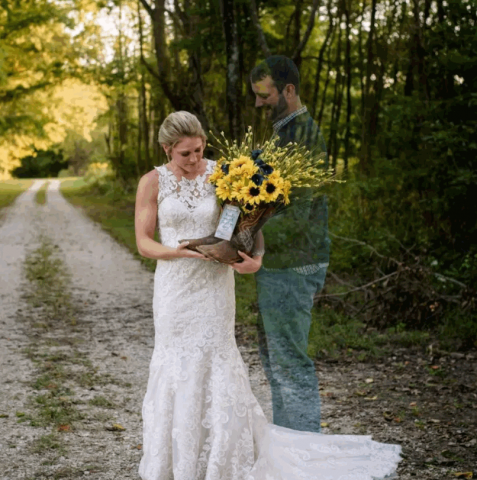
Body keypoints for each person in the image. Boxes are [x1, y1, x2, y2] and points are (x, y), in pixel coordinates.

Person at [135, 110, 401, 479]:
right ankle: (175, 461)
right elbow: (144, 243)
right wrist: (181, 252)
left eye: (199, 150)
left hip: (214, 289)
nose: (195, 160)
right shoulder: (152, 182)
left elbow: (251, 220)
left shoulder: (222, 173)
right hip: (174, 290)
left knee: (217, 360)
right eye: (185, 154)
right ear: (167, 149)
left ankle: (223, 460)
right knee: (175, 365)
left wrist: (255, 260)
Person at [250, 55, 330, 433]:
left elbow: (298, 215)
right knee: (274, 362)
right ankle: (288, 449)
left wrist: (245, 237)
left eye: (264, 95)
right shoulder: (282, 133)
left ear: (289, 90)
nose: (258, 103)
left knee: (289, 363)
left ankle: (305, 455)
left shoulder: (305, 136)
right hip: (275, 264)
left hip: (294, 265)